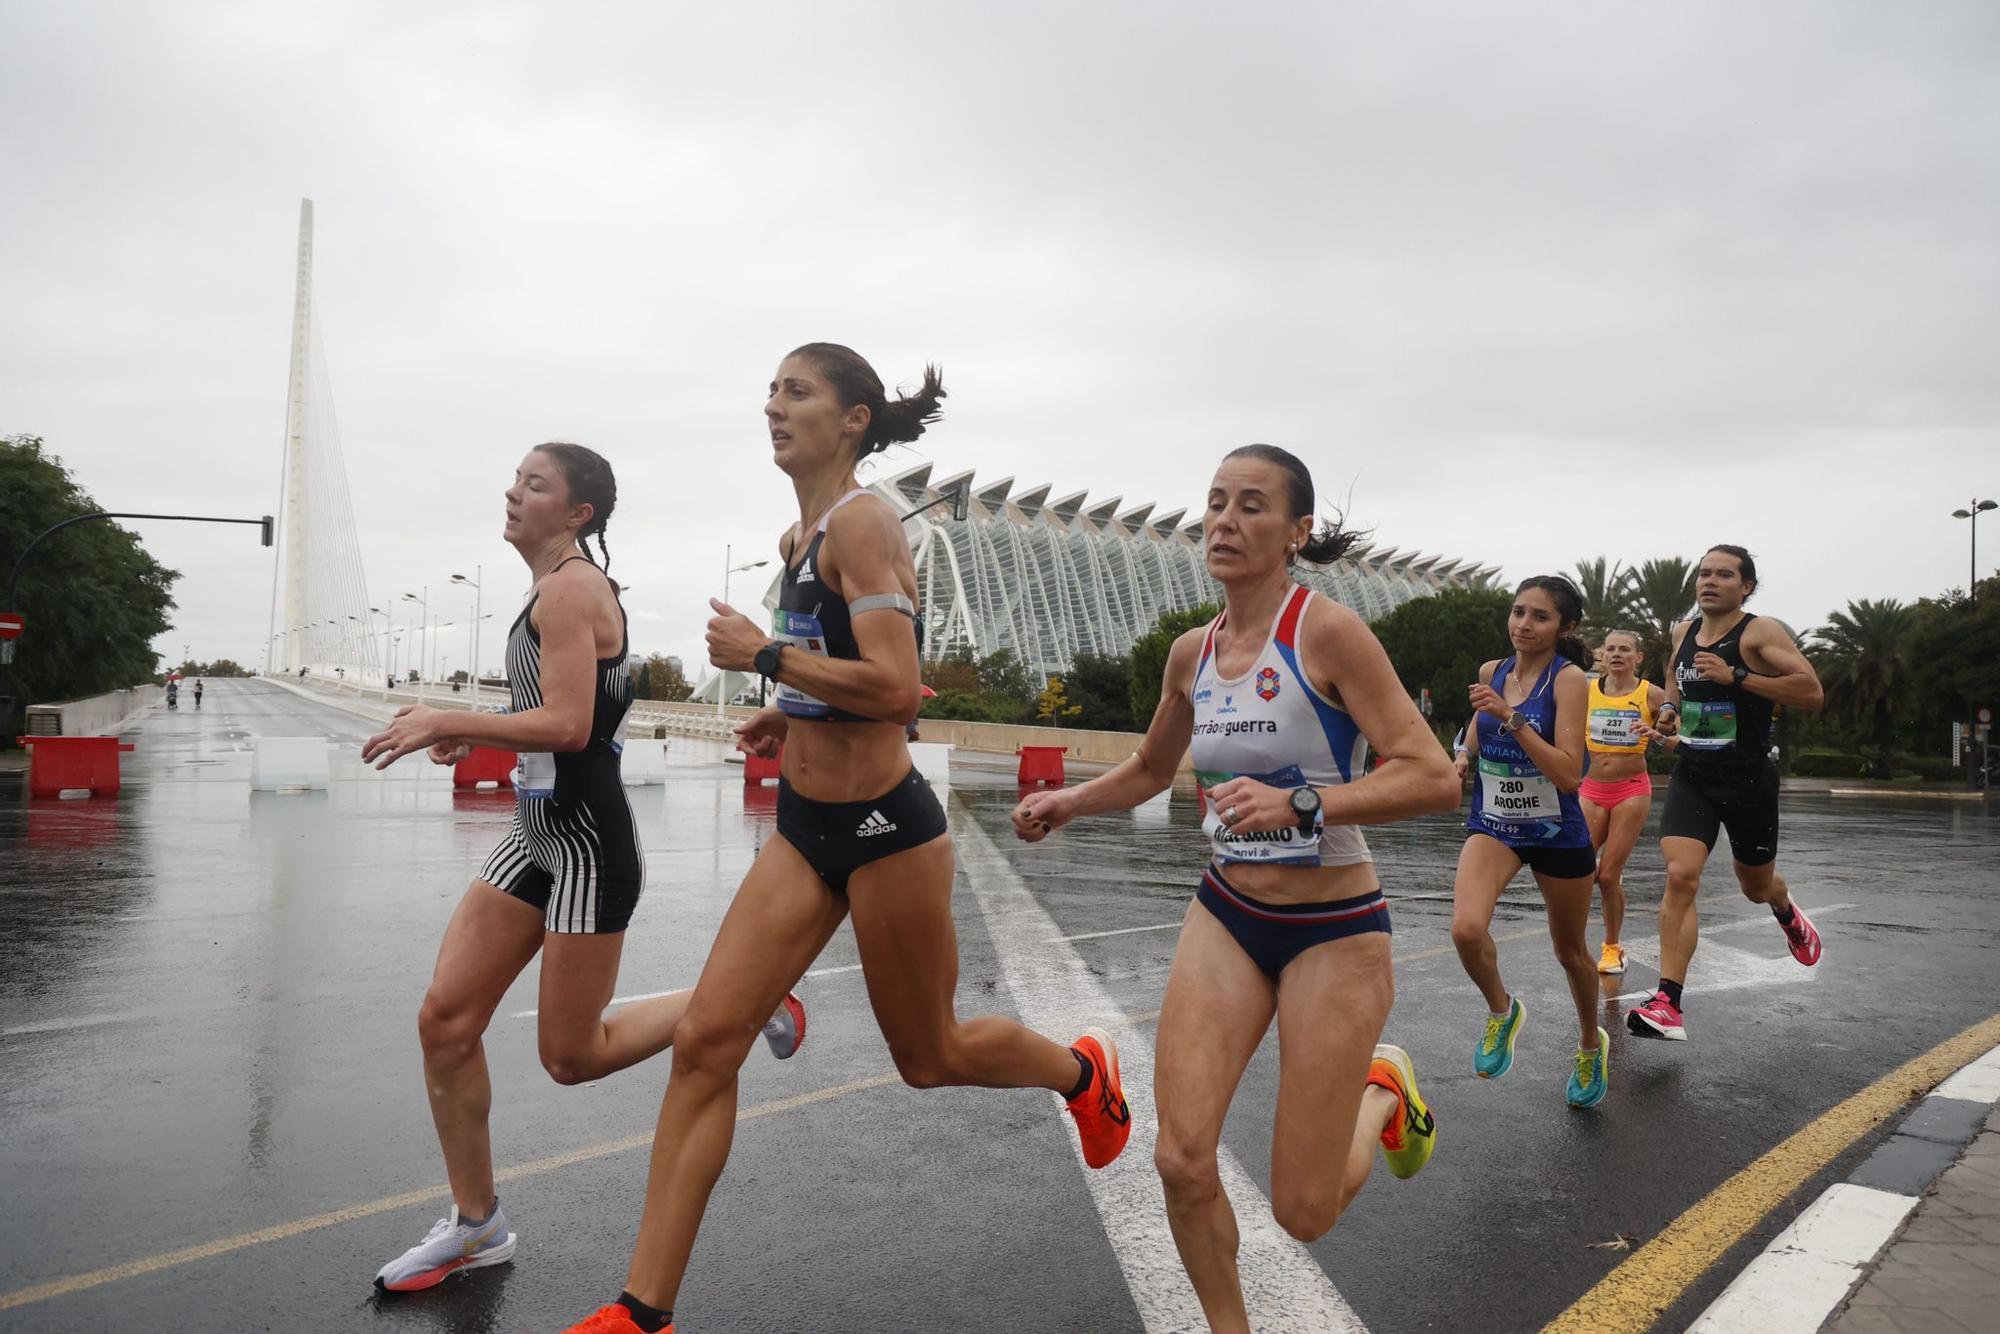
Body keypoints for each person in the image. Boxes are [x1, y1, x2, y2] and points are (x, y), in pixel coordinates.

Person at [563, 345, 1131, 1334]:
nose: (772, 406)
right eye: (771, 390)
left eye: (796, 391)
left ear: (854, 418)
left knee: (930, 1051)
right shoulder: (798, 533)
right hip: (801, 826)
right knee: (704, 1041)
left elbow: (901, 685)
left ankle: (1084, 1073)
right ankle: (640, 1310)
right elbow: (845, 677)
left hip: (885, 835)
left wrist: (763, 654)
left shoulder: (863, 523)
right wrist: (786, 710)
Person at [1013, 444, 1457, 1333]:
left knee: (1304, 1211)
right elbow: (1148, 767)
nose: (1224, 520)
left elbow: (1434, 776)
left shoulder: (1325, 632)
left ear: (1295, 533)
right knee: (1180, 1157)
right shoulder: (1191, 652)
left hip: (1335, 925)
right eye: (1216, 502)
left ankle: (1385, 1095)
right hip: (1229, 911)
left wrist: (1303, 800)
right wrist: (1068, 802)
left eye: (1251, 506)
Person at [359, 443, 805, 1293]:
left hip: (587, 844)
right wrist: (478, 728)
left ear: (578, 515)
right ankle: (476, 1227)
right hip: (536, 833)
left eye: (535, 484)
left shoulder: (570, 588)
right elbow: (560, 710)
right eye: (515, 478)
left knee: (573, 1055)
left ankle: (754, 999)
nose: (512, 491)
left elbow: (568, 725)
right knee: (445, 1022)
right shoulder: (550, 588)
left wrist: (447, 716)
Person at [1626, 545, 1825, 1042]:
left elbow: (1810, 691)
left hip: (1749, 780)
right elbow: (1675, 676)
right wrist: (1669, 709)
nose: (1709, 581)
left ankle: (1783, 906)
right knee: (1680, 874)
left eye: (1724, 574)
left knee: (1754, 887)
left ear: (1747, 587)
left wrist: (1736, 674)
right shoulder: (1684, 631)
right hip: (1694, 774)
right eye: (1704, 573)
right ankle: (1668, 1002)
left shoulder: (1760, 632)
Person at [1450, 576, 1609, 1108]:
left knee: (1570, 953)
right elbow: (1476, 725)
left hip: (1557, 831)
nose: (1523, 623)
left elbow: (1567, 774)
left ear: (1565, 626)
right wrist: (1463, 754)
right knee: (1467, 930)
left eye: (1539, 616)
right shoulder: (1492, 672)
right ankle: (1502, 1010)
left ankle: (1590, 1043)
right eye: (1518, 611)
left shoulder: (1569, 683)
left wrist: (1510, 718)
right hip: (1495, 823)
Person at [1579, 630, 1669, 976]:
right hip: (1592, 789)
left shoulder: (1651, 694)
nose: (1617, 654)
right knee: (1579, 868)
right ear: (1602, 655)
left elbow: (1677, 727)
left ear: (1638, 657)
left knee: (1608, 875)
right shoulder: (1586, 691)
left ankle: (1613, 947)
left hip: (1631, 789)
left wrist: (1660, 733)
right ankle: (1573, 941)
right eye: (1611, 649)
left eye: (1625, 649)